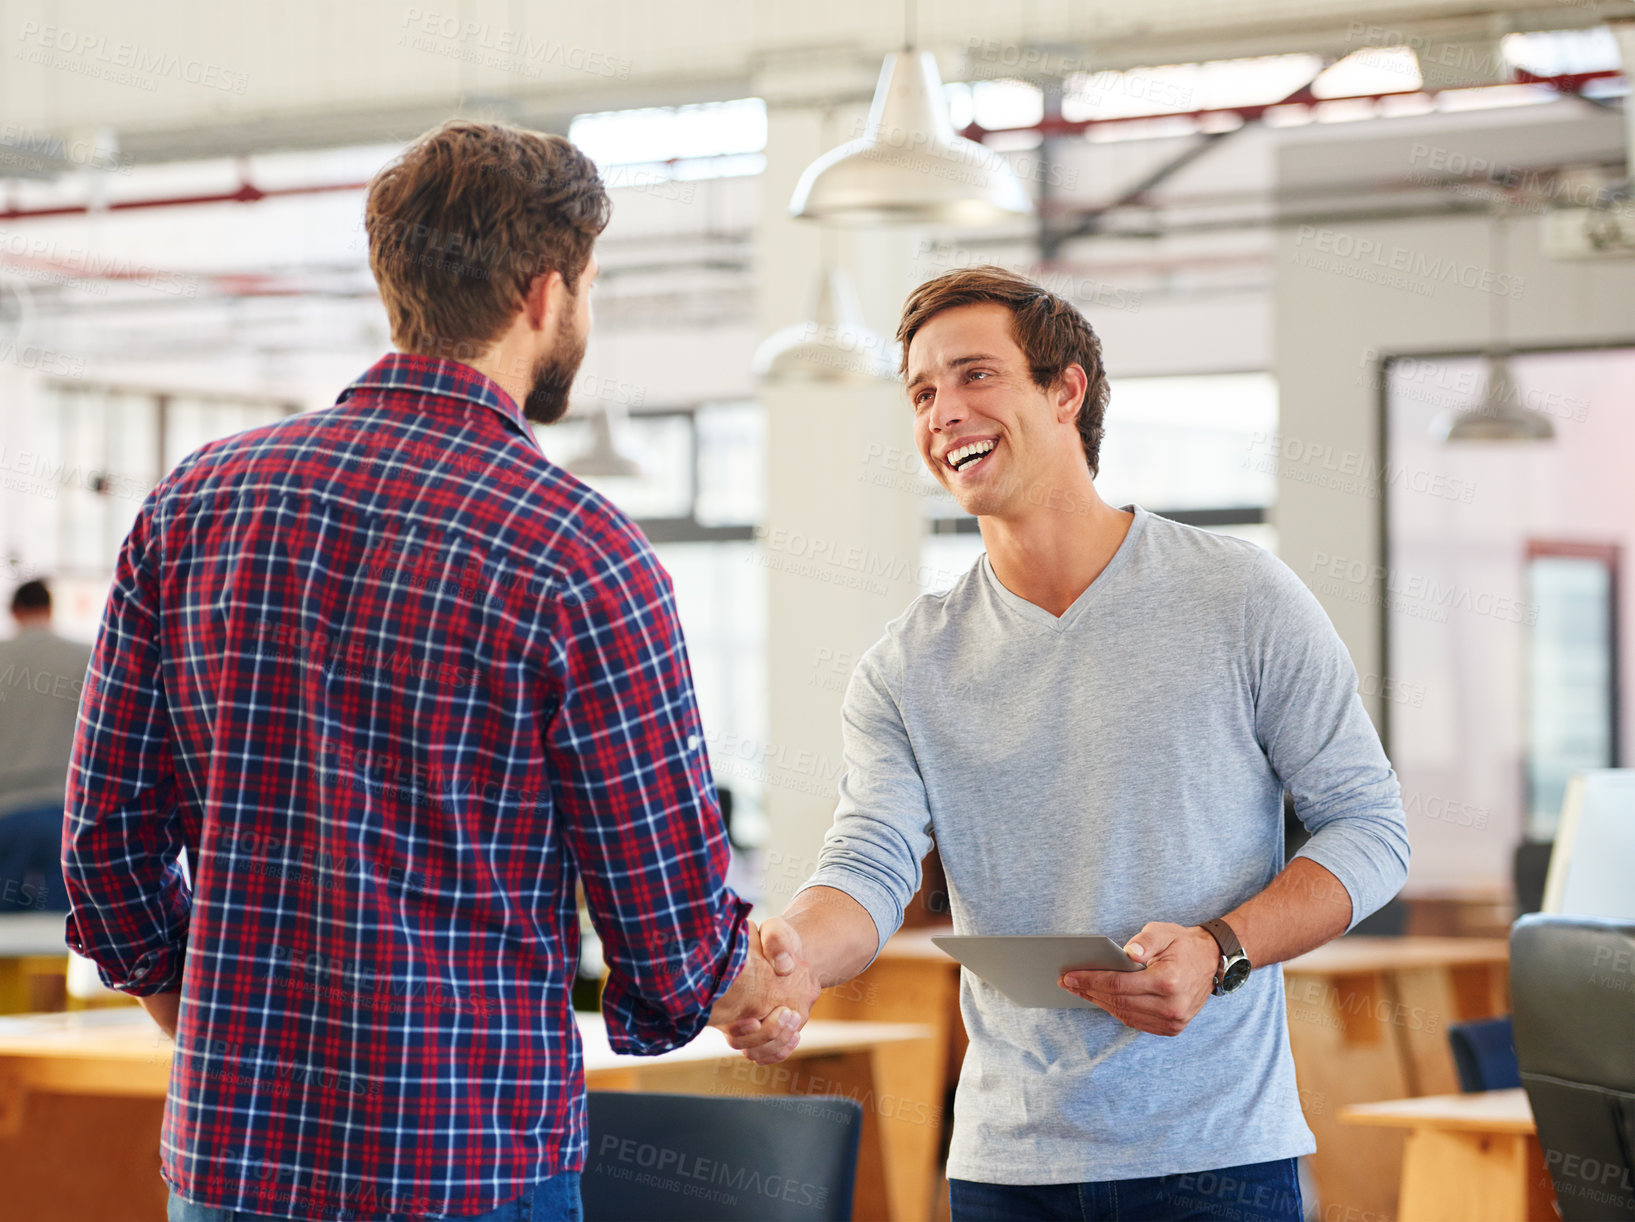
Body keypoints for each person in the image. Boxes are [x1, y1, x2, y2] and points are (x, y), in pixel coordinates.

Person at [62, 120, 817, 1222]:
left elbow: (105, 850)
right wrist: (757, 986)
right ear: (546, 295)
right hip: (467, 1173)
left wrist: (213, 1018)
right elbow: (665, 935)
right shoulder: (582, 554)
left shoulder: (195, 506)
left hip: (231, 1170)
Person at [728, 266, 1411, 1221]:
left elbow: (1370, 829)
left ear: (1065, 390)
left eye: (974, 376)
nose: (942, 413)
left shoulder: (1239, 598)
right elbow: (870, 863)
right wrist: (789, 954)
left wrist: (1221, 949)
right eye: (921, 393)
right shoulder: (905, 665)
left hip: (1215, 1160)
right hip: (1007, 1170)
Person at [0, 579, 92, 913]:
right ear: (50, 610)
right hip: (63, 809)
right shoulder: (84, 655)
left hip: (6, 808)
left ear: (15, 611)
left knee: (5, 931)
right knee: (61, 926)